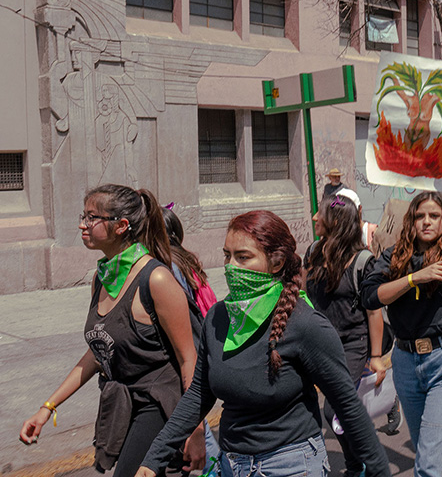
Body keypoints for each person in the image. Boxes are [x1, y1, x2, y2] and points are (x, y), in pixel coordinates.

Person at [136, 210, 390, 477]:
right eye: (227, 255)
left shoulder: (305, 324)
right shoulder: (218, 317)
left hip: (292, 465)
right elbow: (199, 395)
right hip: (232, 465)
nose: (231, 266)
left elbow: (347, 406)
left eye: (243, 257)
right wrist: (153, 460)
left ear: (276, 263)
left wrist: (377, 471)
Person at [20, 185, 204, 477]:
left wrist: (196, 430)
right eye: (84, 215)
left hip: (159, 404)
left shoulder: (155, 279)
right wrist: (47, 407)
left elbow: (187, 359)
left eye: (92, 217)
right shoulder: (102, 278)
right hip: (123, 405)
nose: (83, 224)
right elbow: (99, 352)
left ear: (120, 226)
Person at [359, 123, 442, 477]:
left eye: (434, 215)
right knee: (435, 461)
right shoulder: (394, 257)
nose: (426, 221)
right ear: (410, 222)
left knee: (429, 463)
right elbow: (370, 295)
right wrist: (415, 277)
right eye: (419, 216)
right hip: (406, 363)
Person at [303, 193, 389, 477]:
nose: (315, 218)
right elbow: (305, 295)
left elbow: (374, 312)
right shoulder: (313, 252)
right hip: (322, 342)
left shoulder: (362, 260)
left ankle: (358, 464)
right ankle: (357, 463)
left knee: (334, 410)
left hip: (353, 343)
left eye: (321, 214)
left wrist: (375, 357)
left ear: (336, 221)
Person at [162, 206, 220, 476]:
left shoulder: (168, 268)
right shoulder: (186, 260)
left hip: (187, 355)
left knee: (194, 430)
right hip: (199, 349)